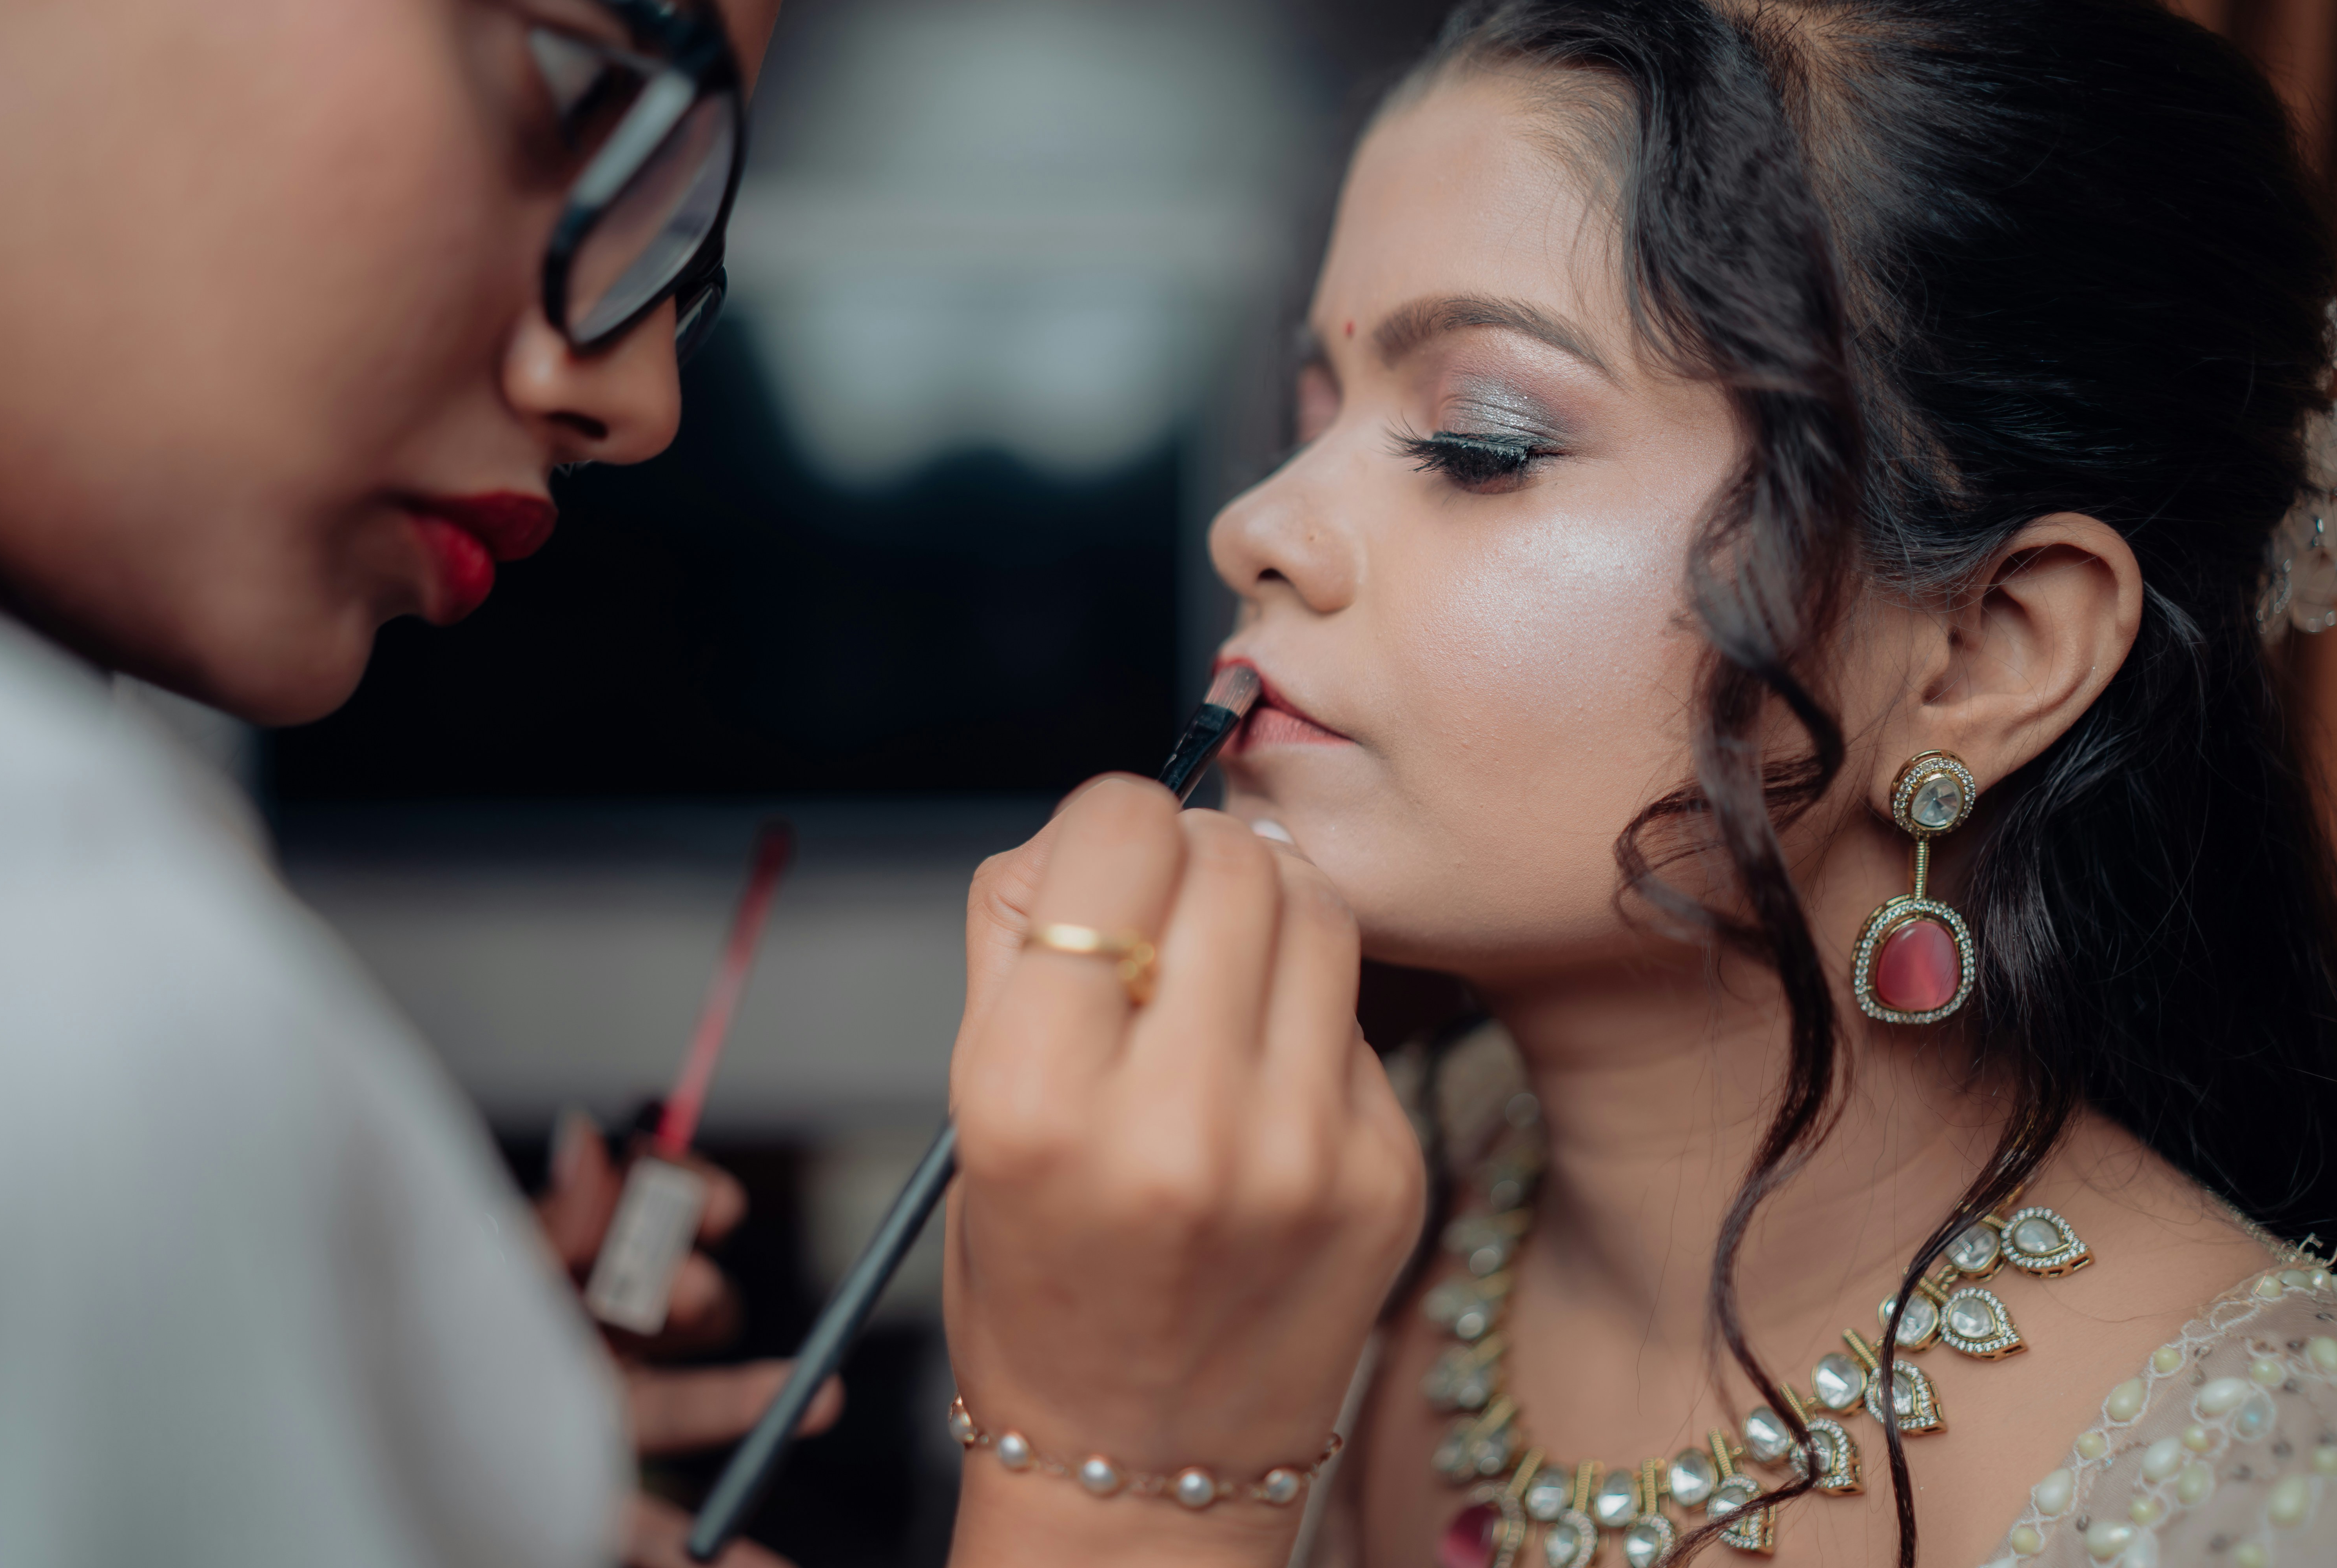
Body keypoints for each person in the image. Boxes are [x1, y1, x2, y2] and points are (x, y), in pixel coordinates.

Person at [938, 2, 2337, 1566]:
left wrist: (1123, 1495)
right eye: (1312, 417)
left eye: (1481, 441)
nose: (1257, 523)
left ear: (1985, 652)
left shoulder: (2266, 1493)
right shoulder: (1300, 1204)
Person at [0, 2, 1372, 1565]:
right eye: (586, 91)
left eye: (1478, 439)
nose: (641, 402)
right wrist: (1123, 1493)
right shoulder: (71, 991)